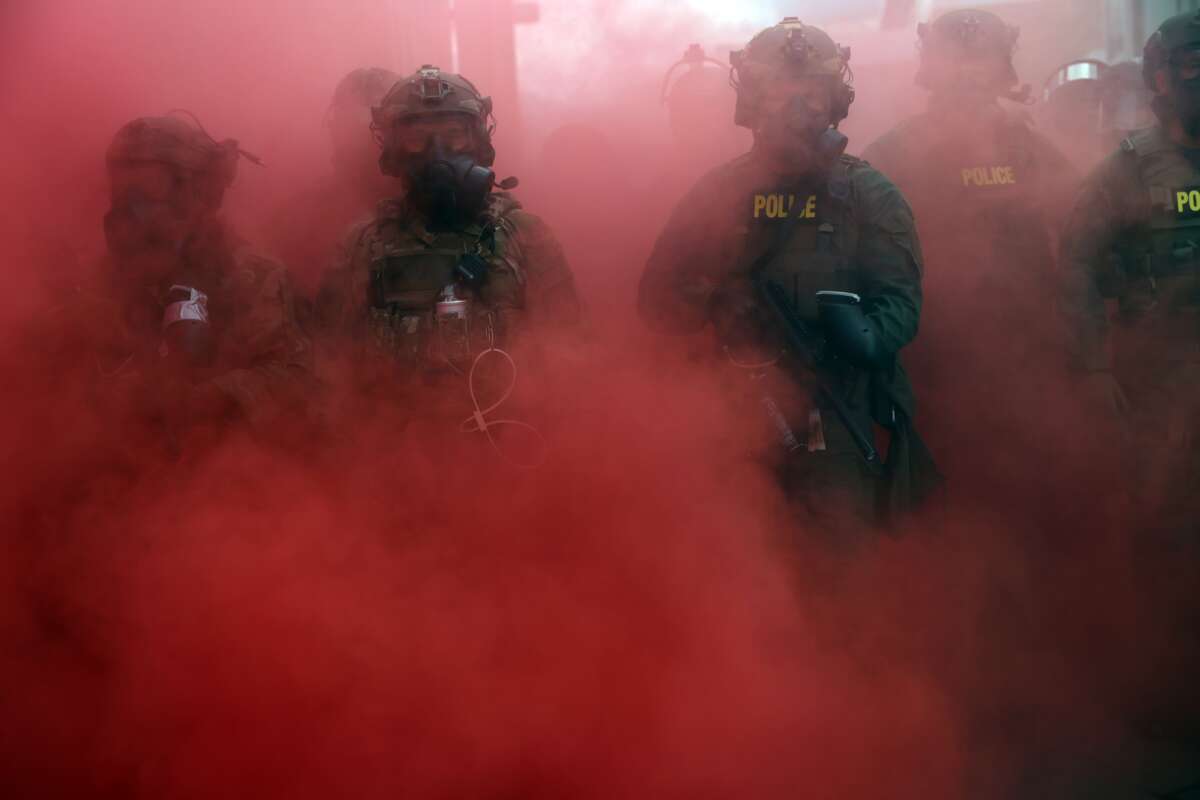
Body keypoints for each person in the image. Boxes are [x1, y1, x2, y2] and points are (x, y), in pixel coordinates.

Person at [638, 18, 936, 535]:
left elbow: (902, 301)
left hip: (837, 408)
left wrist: (865, 337)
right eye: (779, 92)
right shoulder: (717, 194)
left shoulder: (868, 193)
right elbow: (656, 303)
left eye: (811, 93)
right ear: (753, 100)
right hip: (734, 414)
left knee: (839, 554)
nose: (796, 108)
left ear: (834, 99)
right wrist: (716, 298)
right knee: (738, 551)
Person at [860, 9, 1080, 503]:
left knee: (1025, 490)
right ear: (933, 65)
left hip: (1026, 358)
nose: (968, 71)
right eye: (957, 57)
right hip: (934, 358)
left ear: (1001, 66)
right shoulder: (893, 154)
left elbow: (1083, 235)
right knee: (942, 493)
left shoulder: (1031, 149)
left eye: (979, 58)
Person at [326, 65, 580, 456]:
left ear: (478, 140)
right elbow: (330, 366)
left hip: (505, 453)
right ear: (392, 149)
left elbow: (571, 358)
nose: (437, 152)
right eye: (417, 138)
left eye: (453, 134)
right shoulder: (362, 243)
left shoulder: (525, 235)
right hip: (393, 460)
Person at [60, 113, 312, 456]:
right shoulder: (104, 279)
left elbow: (294, 378)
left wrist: (212, 401)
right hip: (119, 465)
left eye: (146, 190)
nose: (128, 211)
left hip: (220, 467)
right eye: (121, 192)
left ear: (194, 195)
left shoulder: (249, 276)